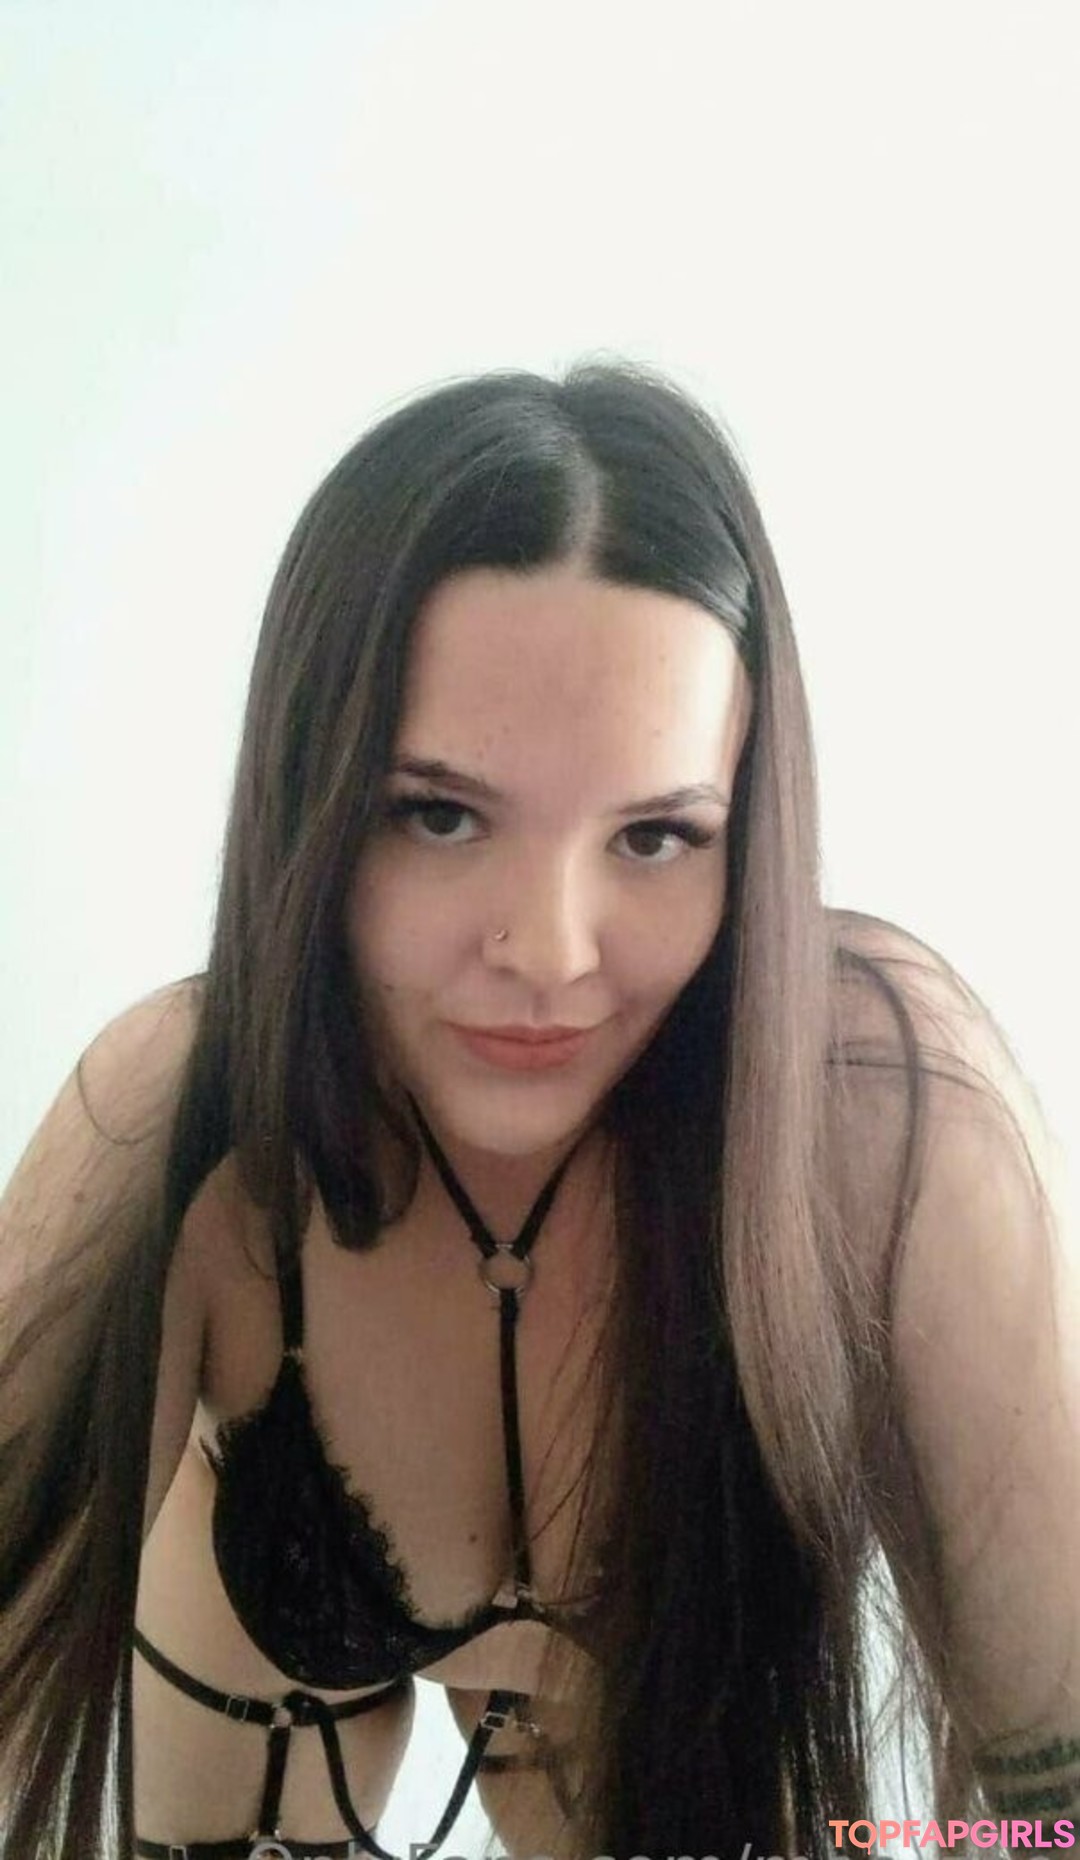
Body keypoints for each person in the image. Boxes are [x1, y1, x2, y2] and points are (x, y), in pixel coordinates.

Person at [0, 361, 1075, 1860]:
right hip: (267, 1640)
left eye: (657, 835)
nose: (551, 955)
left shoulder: (883, 1110)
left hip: (634, 1703)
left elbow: (1054, 1785)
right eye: (438, 814)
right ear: (311, 797)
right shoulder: (184, 1113)